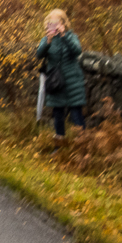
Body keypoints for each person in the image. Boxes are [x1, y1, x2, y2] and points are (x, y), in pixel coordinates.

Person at [37, 9, 87, 143]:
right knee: (58, 115)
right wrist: (48, 41)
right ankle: (59, 146)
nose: (53, 25)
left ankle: (82, 146)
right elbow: (39, 55)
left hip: (72, 83)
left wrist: (64, 35)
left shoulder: (71, 36)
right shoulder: (46, 39)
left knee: (76, 114)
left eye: (56, 22)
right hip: (56, 83)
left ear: (63, 23)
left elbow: (77, 50)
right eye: (50, 22)